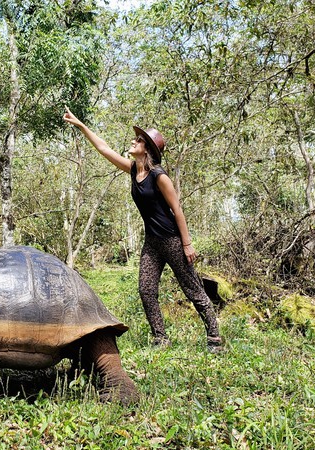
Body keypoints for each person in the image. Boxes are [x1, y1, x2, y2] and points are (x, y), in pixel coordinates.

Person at [63, 107, 223, 350]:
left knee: (193, 289)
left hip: (171, 241)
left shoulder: (159, 176)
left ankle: (214, 338)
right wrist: (81, 125)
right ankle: (161, 338)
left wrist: (187, 244)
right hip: (152, 243)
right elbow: (103, 148)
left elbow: (177, 210)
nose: (133, 141)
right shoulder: (132, 171)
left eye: (137, 140)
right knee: (146, 289)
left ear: (146, 148)